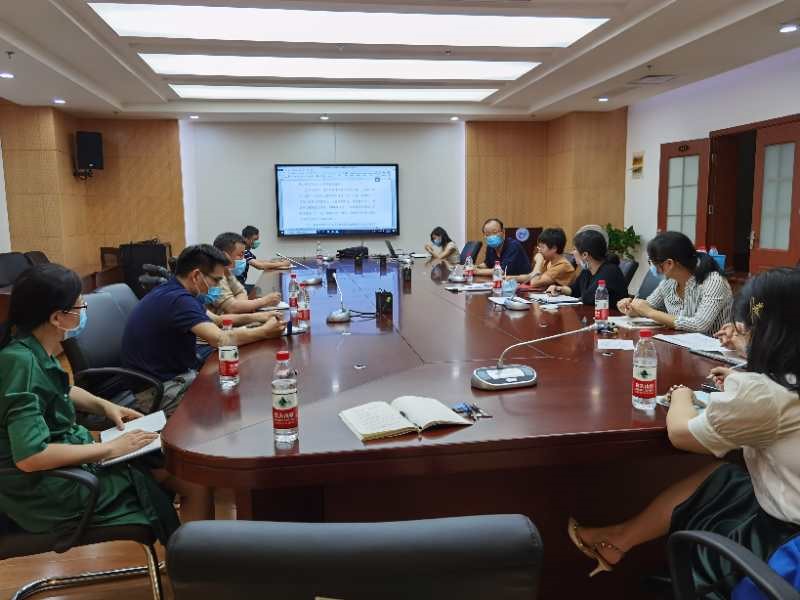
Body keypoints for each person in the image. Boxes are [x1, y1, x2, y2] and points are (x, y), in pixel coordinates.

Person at [568, 268, 800, 598]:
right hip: (788, 506)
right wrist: (743, 373)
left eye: (747, 330)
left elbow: (681, 434)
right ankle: (618, 539)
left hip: (785, 545)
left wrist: (680, 394)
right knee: (720, 475)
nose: (742, 334)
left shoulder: (764, 394)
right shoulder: (782, 382)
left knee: (720, 486)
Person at [0, 264, 213, 544]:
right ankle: (192, 562)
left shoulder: (33, 347)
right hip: (51, 490)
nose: (84, 311)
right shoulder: (20, 363)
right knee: (190, 480)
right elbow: (31, 457)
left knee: (183, 472)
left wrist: (105, 407)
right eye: (80, 306)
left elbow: (61, 388)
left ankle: (193, 556)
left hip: (70, 463)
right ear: (57, 317)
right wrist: (110, 449)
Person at [121, 244, 285, 414]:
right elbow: (220, 339)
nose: (218, 285)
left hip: (176, 376)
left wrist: (259, 317)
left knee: (239, 385)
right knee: (231, 404)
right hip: (158, 390)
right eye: (216, 280)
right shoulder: (178, 300)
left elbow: (218, 320)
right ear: (196, 275)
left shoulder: (178, 291)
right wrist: (264, 332)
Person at [617, 231, 732, 335]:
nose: (652, 266)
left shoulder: (713, 281)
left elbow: (699, 325)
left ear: (669, 264)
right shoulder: (669, 282)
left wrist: (649, 312)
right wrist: (631, 308)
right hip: (680, 344)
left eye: (652, 262)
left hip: (712, 347)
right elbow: (648, 306)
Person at [545, 229, 626, 306]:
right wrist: (559, 289)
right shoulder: (587, 271)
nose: (572, 253)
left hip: (609, 315)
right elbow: (574, 290)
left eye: (574, 249)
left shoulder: (610, 271)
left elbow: (589, 298)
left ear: (585, 255)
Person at [211, 232, 281, 314]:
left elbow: (241, 292)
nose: (243, 259)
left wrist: (241, 305)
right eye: (240, 255)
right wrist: (264, 301)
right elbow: (233, 308)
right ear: (224, 256)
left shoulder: (227, 272)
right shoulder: (213, 277)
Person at [509, 227, 575, 290]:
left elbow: (534, 283)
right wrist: (510, 278)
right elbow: (531, 276)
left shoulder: (562, 266)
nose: (539, 250)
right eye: (539, 247)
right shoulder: (548, 261)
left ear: (554, 248)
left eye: (542, 247)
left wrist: (539, 261)